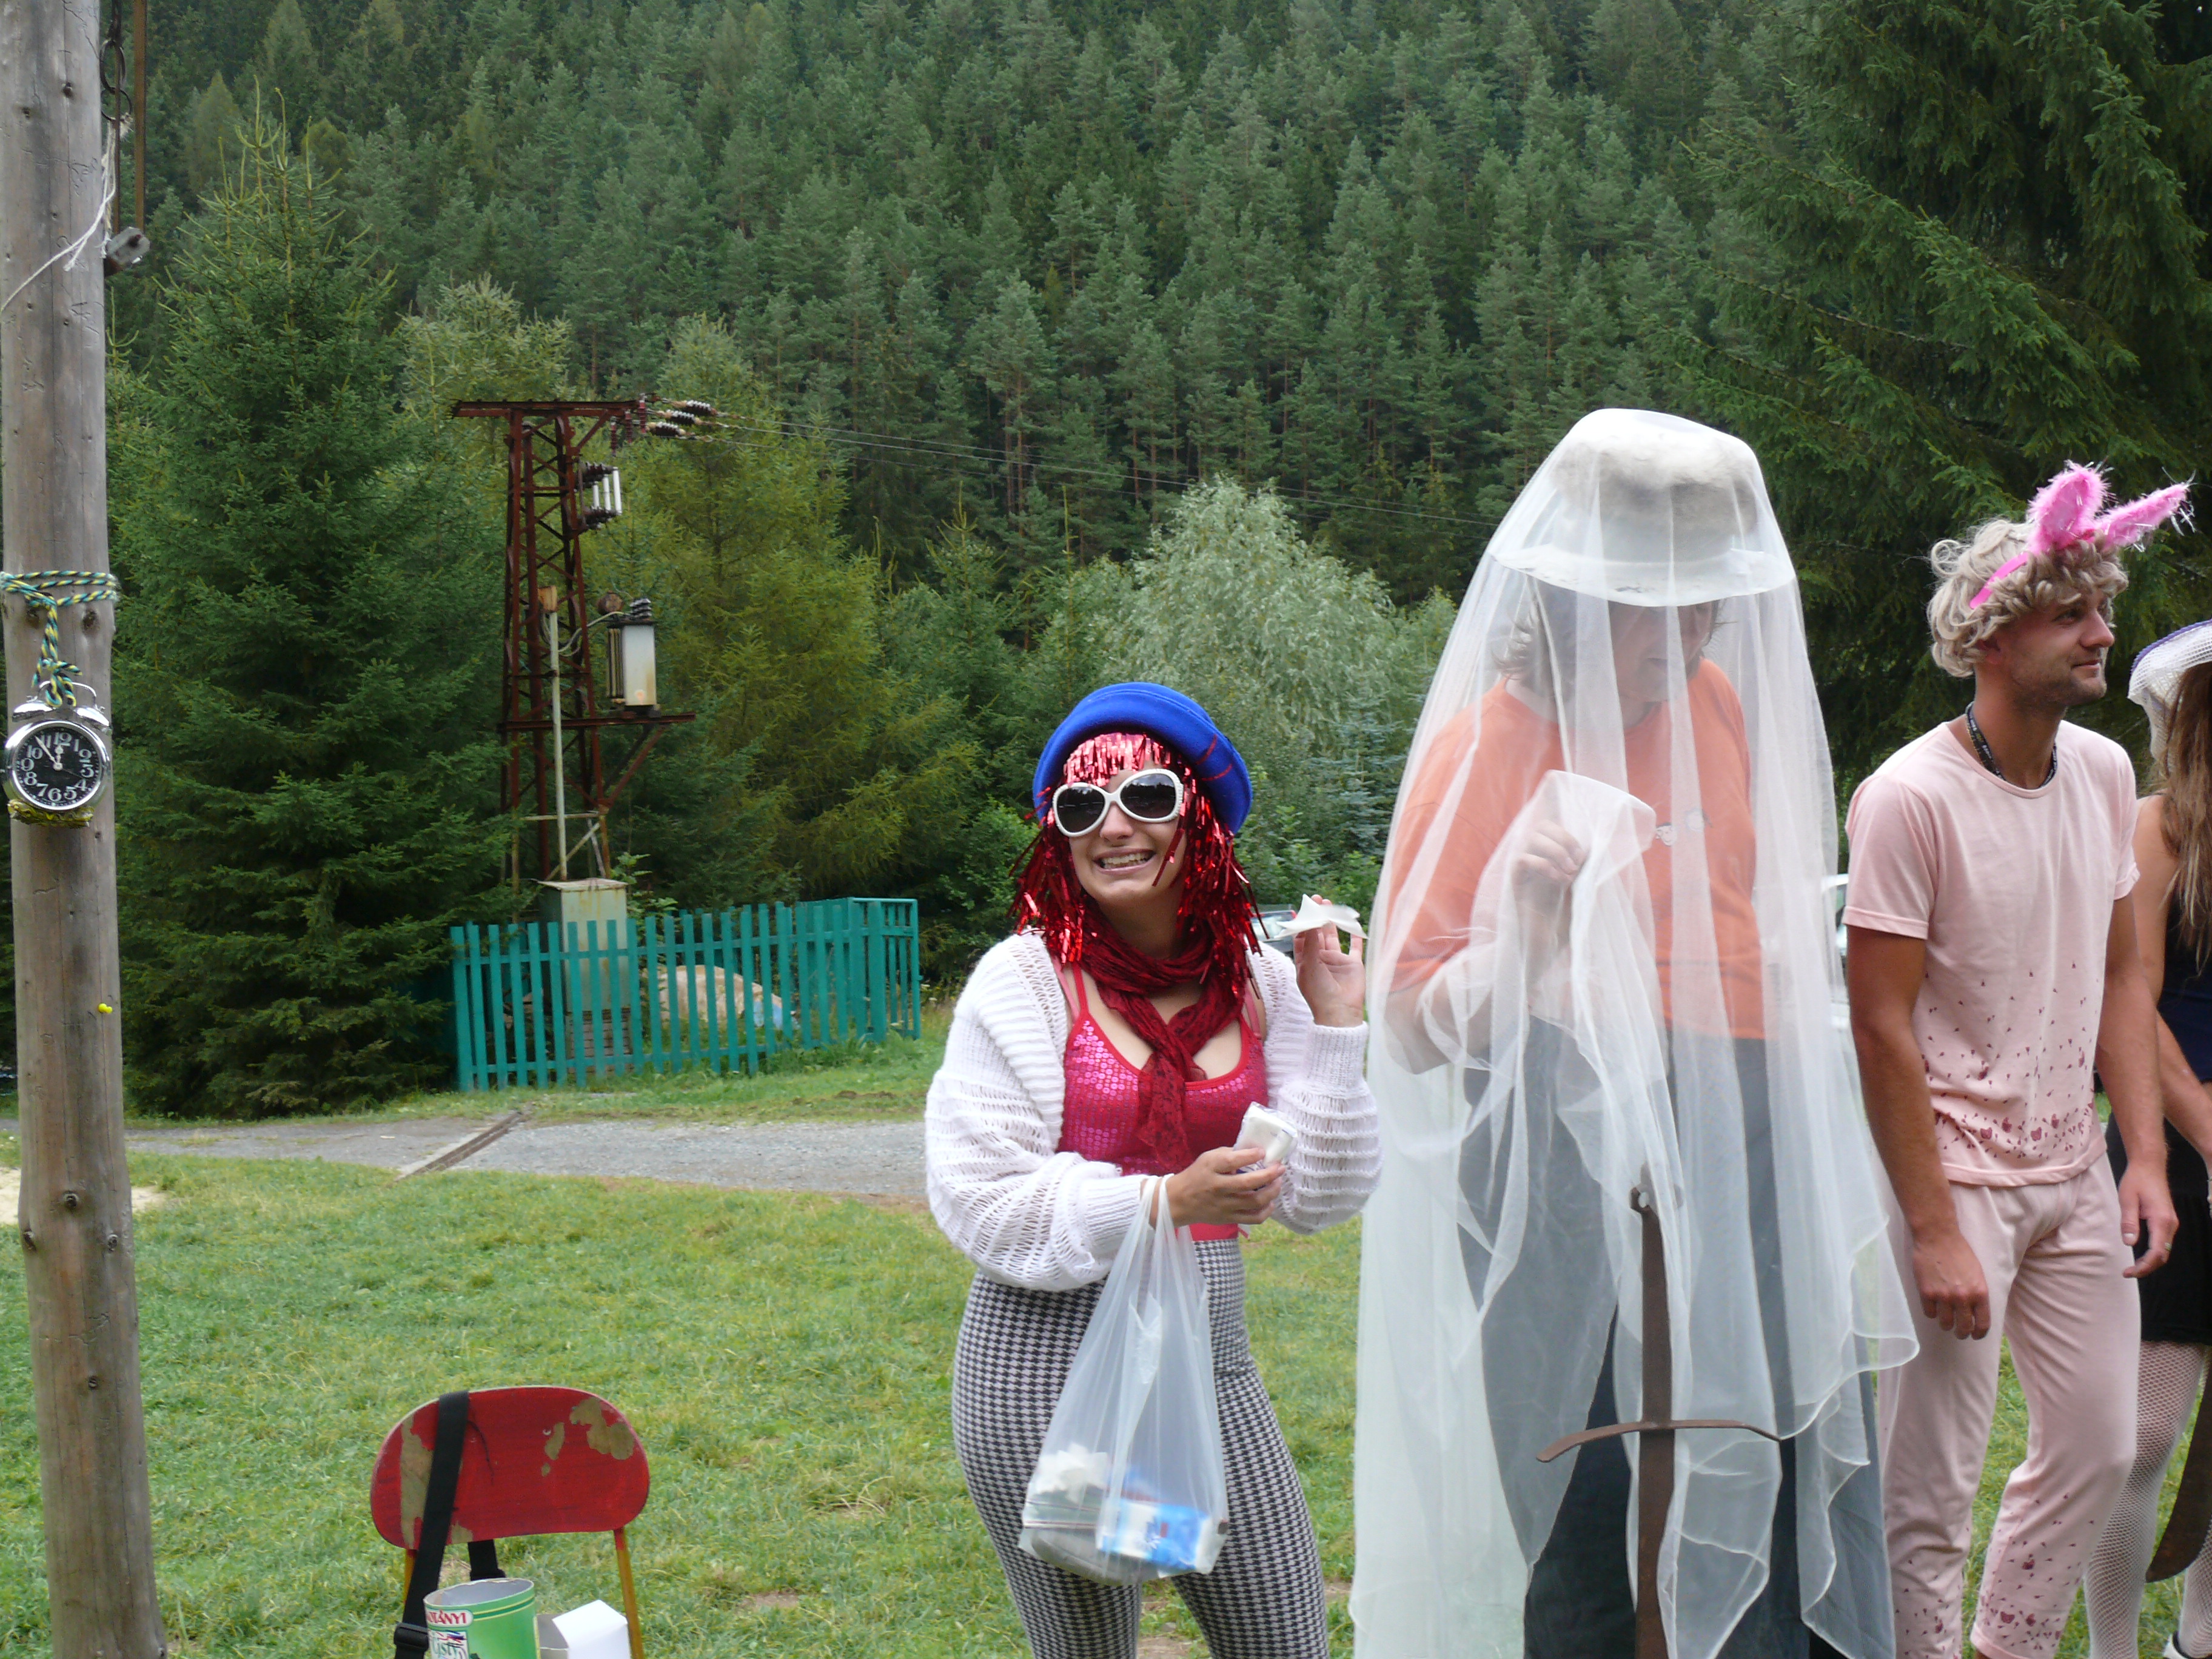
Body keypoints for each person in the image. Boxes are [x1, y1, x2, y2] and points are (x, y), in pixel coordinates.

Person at [1356, 408, 1911, 1659]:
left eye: (1706, 603)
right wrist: (1527, 932)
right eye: (1650, 608)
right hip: (1565, 1163)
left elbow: (1754, 932)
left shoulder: (1717, 702)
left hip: (1747, 1125)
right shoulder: (1484, 745)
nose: (1687, 635)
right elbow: (1412, 1025)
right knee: (1596, 1487)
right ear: (1568, 597)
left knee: (1771, 1444)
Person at [925, 681, 1381, 1659]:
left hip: (1209, 1361)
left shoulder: (1263, 981)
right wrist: (1164, 1200)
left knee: (1285, 1641)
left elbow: (1318, 1196)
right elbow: (981, 1200)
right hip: (1041, 1369)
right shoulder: (1025, 978)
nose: (1113, 826)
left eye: (1146, 796)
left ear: (1200, 819)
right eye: (1081, 806)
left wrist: (1338, 1024)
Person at [1843, 463, 2188, 1659]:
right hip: (1949, 1175)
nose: (2102, 633)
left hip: (2072, 1165)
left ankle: (2009, 1646)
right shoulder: (1907, 798)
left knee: (2100, 1444)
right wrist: (1934, 1228)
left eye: (2103, 607)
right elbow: (1879, 1026)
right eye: (2072, 614)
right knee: (1928, 1488)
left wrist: (2143, 1158)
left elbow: (2123, 978)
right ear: (1992, 636)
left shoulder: (2103, 774)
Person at [2084, 618, 2212, 1659]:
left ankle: (2200, 1641)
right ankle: (2115, 1649)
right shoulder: (2158, 829)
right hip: (2168, 1149)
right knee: (2140, 1437)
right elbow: (2131, 1004)